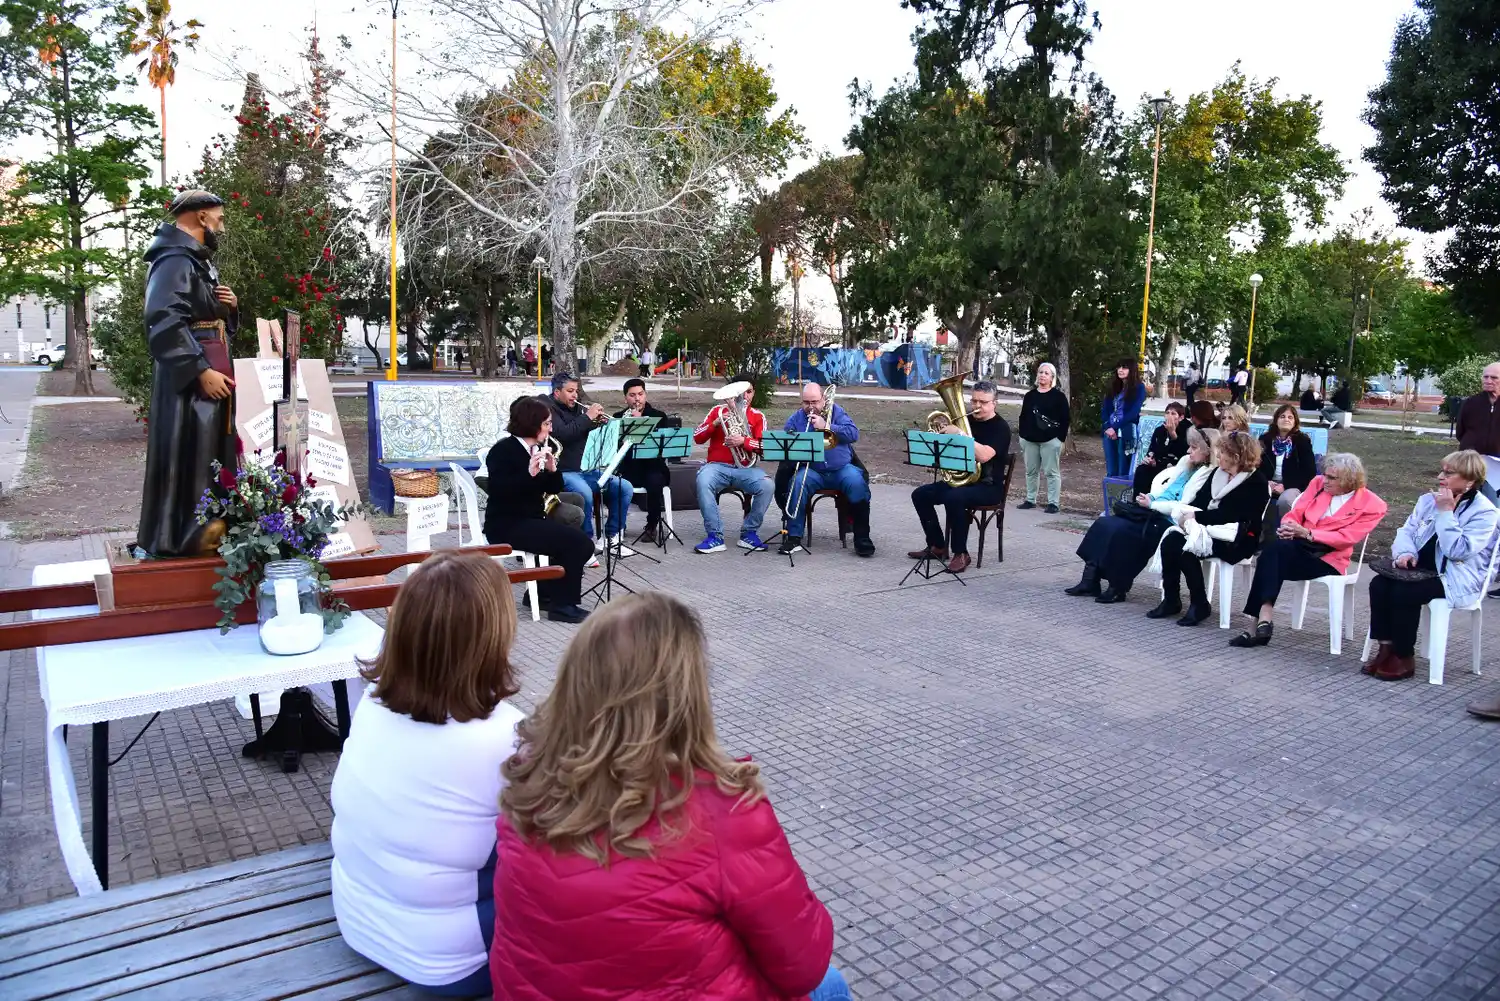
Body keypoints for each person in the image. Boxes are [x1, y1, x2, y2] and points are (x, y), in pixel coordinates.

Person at [491, 592, 850, 1001]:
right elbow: (803, 965)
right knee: (830, 984)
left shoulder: (529, 781)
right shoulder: (722, 811)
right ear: (687, 696)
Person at [331, 550, 525, 996]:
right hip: (452, 963)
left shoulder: (373, 701)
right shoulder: (508, 738)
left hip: (357, 922)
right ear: (492, 638)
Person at [136, 190, 239, 557]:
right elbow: (163, 319)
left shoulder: (194, 261)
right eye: (218, 219)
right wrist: (199, 370)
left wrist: (229, 308)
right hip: (190, 384)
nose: (220, 227)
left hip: (203, 375)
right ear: (201, 217)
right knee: (191, 454)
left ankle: (205, 531)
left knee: (206, 451)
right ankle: (185, 536)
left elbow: (203, 316)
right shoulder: (175, 260)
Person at [1363, 450, 1499, 681]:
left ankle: (1404, 656)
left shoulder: (1484, 512)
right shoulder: (1427, 501)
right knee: (1379, 584)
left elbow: (1458, 551)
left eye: (1449, 473)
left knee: (1404, 591)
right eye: (1441, 471)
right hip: (1420, 570)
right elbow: (1406, 531)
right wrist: (1405, 553)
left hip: (1456, 577)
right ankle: (1386, 648)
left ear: (1470, 480)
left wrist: (1446, 513)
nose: (1440, 477)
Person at [1228, 453, 1387, 648]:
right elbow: (1294, 513)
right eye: (1325, 474)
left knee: (1271, 555)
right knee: (1273, 552)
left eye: (1332, 478)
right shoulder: (1318, 484)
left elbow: (1347, 538)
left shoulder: (1372, 505)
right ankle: (1264, 617)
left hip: (1329, 558)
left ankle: (1257, 625)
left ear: (1349, 480)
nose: (1325, 480)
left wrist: (1308, 533)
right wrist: (1288, 526)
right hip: (1297, 548)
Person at [1067, 426, 1218, 603]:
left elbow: (1183, 505)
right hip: (1153, 510)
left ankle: (1118, 586)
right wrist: (1150, 497)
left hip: (1171, 519)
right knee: (1106, 524)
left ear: (1207, 451)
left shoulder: (1208, 474)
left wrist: (1153, 504)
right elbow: (1166, 488)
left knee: (1124, 532)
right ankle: (1090, 580)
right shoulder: (1187, 464)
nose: (1188, 451)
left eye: (1194, 447)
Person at [483, 397, 593, 623]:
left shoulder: (533, 449)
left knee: (575, 541)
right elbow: (499, 491)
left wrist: (552, 470)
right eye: (547, 424)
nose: (550, 429)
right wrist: (529, 474)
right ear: (532, 424)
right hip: (506, 524)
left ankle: (542, 594)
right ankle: (563, 606)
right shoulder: (503, 451)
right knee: (578, 543)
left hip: (530, 519)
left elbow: (553, 488)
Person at [1148, 430, 1269, 626]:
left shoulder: (1256, 482)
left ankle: (1199, 603)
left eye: (1223, 452)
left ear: (1236, 456)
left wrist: (1195, 517)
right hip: (1208, 529)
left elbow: (1230, 515)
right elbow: (1200, 503)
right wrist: (1188, 515)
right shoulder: (1217, 474)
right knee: (1171, 540)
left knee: (1186, 547)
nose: (1218, 455)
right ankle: (1171, 599)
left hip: (1238, 538)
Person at [908, 380, 1013, 574]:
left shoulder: (1001, 427)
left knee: (954, 497)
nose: (977, 406)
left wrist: (961, 434)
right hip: (962, 482)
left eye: (983, 402)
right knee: (920, 495)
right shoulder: (967, 421)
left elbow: (984, 455)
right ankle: (937, 546)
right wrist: (940, 443)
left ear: (994, 403)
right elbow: (951, 453)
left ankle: (961, 553)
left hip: (988, 487)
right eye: (974, 401)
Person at [541, 372, 634, 553]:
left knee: (624, 487)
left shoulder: (578, 409)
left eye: (576, 391)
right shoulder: (547, 409)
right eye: (570, 391)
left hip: (587, 468)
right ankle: (586, 544)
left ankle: (612, 537)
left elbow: (583, 433)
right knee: (584, 493)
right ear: (557, 392)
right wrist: (587, 418)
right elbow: (562, 434)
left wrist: (599, 425)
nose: (575, 395)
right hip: (564, 470)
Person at [780, 383, 875, 556]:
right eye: (806, 402)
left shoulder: (837, 412)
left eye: (814, 402)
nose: (810, 407)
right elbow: (786, 442)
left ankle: (862, 538)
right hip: (812, 470)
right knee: (797, 484)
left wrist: (828, 426)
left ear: (823, 399)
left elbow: (853, 434)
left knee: (857, 484)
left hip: (841, 469)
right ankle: (793, 537)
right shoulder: (796, 418)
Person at [693, 376, 774, 553]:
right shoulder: (717, 411)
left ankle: (749, 533)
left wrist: (744, 441)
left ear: (753, 393)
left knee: (767, 485)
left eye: (749, 392)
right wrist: (715, 423)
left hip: (746, 469)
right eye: (741, 392)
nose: (745, 396)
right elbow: (697, 437)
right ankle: (715, 536)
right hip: (717, 467)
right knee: (703, 480)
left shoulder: (758, 416)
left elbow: (765, 448)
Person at [615, 378, 671, 540]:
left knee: (655, 482)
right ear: (625, 398)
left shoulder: (659, 416)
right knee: (613, 485)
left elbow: (663, 447)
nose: (637, 399)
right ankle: (618, 525)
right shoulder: (618, 417)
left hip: (652, 466)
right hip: (628, 467)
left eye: (640, 394)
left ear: (645, 395)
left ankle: (652, 525)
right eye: (632, 395)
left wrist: (641, 423)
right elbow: (614, 449)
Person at [1018, 362, 1070, 513]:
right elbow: (1023, 416)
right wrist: (1022, 436)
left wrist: (1059, 439)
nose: (1043, 375)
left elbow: (1065, 419)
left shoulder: (1059, 397)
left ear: (1052, 377)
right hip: (1030, 440)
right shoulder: (1030, 396)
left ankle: (1053, 503)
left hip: (1050, 440)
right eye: (1041, 372)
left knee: (1051, 473)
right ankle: (1030, 499)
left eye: (1046, 373)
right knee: (1031, 471)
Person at [1259, 404, 1317, 536]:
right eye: (1282, 416)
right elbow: (1255, 465)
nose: (1286, 419)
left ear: (1295, 422)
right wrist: (1265, 482)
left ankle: (1286, 534)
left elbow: (1309, 472)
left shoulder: (1302, 441)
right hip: (1268, 482)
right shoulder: (1265, 439)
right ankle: (1256, 534)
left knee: (1285, 500)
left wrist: (1286, 486)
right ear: (1276, 420)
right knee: (1253, 494)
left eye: (1290, 417)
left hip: (1293, 485)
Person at [1455, 362, 1500, 491]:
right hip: (1470, 462)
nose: (1488, 381)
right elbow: (1460, 431)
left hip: (1497, 465)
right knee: (1467, 496)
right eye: (1485, 377)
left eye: (1494, 377)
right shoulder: (1471, 402)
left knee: (1493, 500)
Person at [1129, 402, 1189, 497]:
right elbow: (1152, 450)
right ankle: (1138, 501)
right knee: (1142, 470)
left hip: (1175, 467)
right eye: (1167, 413)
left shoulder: (1187, 431)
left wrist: (1173, 435)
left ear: (1181, 417)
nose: (1169, 416)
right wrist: (1150, 459)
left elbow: (1184, 453)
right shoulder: (1159, 430)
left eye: (1173, 414)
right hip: (1159, 464)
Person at [1100, 358, 1146, 478]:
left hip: (1126, 431)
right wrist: (1108, 427)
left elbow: (1133, 413)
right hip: (1109, 431)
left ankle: (1122, 490)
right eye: (1119, 367)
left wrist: (1115, 428)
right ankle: (1111, 490)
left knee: (1123, 470)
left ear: (1132, 370)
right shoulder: (1113, 386)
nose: (1120, 370)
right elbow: (1105, 409)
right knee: (1111, 468)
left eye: (1124, 367)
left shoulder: (1139, 388)